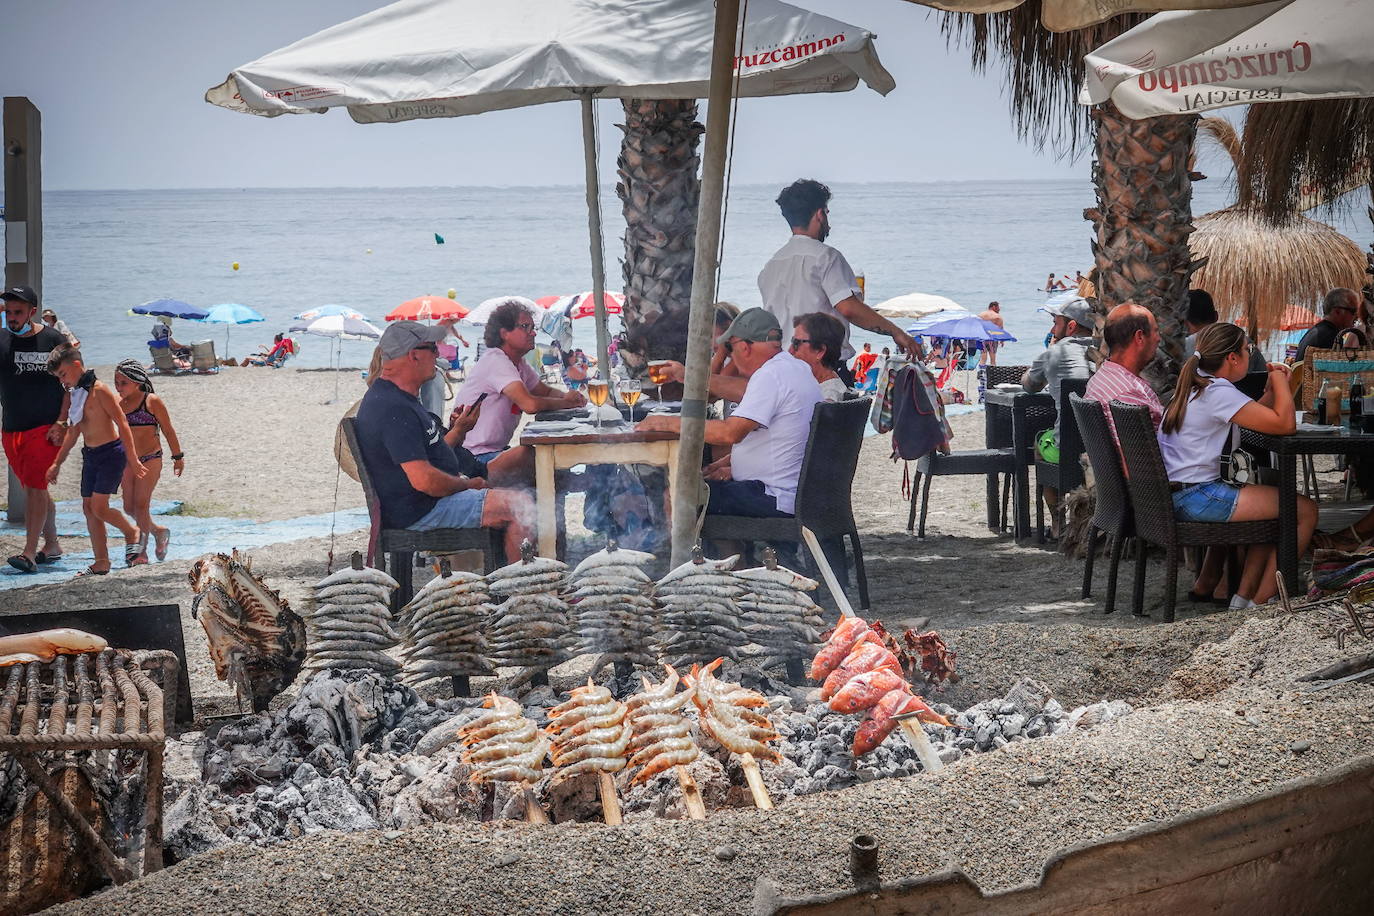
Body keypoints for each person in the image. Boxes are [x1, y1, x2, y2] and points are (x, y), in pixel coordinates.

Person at [1158, 323, 1317, 608]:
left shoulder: (1200, 385)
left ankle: (1244, 600)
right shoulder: (1218, 392)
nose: (1250, 354)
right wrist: (1283, 383)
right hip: (1199, 496)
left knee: (1274, 503)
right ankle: (1263, 601)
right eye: (1247, 350)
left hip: (1181, 493)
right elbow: (1284, 425)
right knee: (1304, 510)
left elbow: (1256, 414)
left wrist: (1270, 390)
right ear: (1232, 358)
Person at [354, 320, 534, 563]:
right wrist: (467, 486)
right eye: (433, 348)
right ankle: (523, 589)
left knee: (524, 489)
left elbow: (430, 456)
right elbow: (425, 480)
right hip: (419, 510)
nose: (438, 354)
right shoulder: (392, 407)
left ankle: (514, 575)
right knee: (519, 506)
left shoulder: (398, 399)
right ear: (414, 356)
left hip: (425, 502)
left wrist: (459, 432)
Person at [639, 308, 821, 524]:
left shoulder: (770, 376)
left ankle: (689, 558)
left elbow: (729, 433)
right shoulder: (795, 368)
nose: (730, 357)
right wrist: (733, 461)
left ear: (743, 347)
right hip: (793, 491)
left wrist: (667, 423)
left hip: (773, 496)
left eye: (730, 349)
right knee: (703, 486)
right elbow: (743, 391)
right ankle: (733, 558)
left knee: (678, 495)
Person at [758, 179, 921, 385]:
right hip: (822, 370)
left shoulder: (771, 266)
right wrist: (896, 331)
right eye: (827, 213)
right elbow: (848, 308)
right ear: (820, 213)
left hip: (782, 369)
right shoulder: (827, 257)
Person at [454, 300, 586, 486]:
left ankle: (554, 508)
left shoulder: (519, 364)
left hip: (494, 450)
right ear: (504, 333)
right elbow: (530, 405)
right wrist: (567, 402)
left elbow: (545, 391)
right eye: (525, 327)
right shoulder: (496, 361)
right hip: (475, 457)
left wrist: (569, 396)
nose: (533, 333)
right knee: (541, 459)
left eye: (533, 328)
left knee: (551, 470)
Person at [45, 345, 147, 575]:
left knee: (100, 507)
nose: (62, 380)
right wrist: (57, 464)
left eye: (63, 374)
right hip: (90, 455)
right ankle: (102, 561)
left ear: (77, 366)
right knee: (88, 508)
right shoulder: (76, 394)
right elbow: (73, 432)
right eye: (58, 377)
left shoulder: (100, 390)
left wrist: (132, 456)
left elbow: (122, 422)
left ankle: (132, 532)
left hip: (111, 453)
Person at [1, 287, 69, 572]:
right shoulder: (2, 340)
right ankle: (51, 545)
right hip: (12, 429)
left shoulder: (53, 340)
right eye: (8, 312)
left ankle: (29, 553)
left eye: (19, 312)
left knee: (36, 488)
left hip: (45, 429)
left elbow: (72, 384)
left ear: (32, 312)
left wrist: (62, 422)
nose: (13, 318)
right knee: (34, 487)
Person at [1023, 298, 1095, 534]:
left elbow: (1029, 386)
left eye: (1056, 323)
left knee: (1039, 441)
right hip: (1099, 449)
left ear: (1071, 327)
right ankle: (1084, 518)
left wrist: (1048, 354)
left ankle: (1057, 521)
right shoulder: (1103, 351)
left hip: (1065, 450)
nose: (1052, 329)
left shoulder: (1054, 352)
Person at [113, 360, 185, 563]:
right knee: (129, 507)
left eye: (123, 383)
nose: (118, 388)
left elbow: (168, 430)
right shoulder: (118, 405)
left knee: (142, 504)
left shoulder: (151, 401)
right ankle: (159, 532)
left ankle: (141, 552)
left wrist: (177, 457)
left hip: (151, 459)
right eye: (116, 383)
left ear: (137, 382)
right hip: (128, 461)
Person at [1084, 303, 1164, 447]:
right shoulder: (1129, 395)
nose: (1158, 339)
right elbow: (1135, 462)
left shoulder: (1101, 378)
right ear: (1139, 337)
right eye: (1155, 331)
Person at [790, 312, 850, 402]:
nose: (790, 350)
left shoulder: (828, 396)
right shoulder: (815, 386)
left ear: (820, 351)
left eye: (796, 343)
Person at [1294, 288, 1365, 363]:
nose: (1358, 316)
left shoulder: (1316, 332)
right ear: (1337, 311)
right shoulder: (1330, 337)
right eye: (1353, 311)